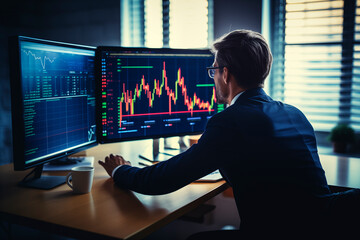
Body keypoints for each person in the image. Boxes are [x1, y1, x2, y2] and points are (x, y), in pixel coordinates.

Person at [99, 29, 360, 238]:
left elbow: (162, 181)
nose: (213, 77)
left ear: (225, 73)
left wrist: (121, 170)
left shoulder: (229, 122)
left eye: (213, 70)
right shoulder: (294, 113)